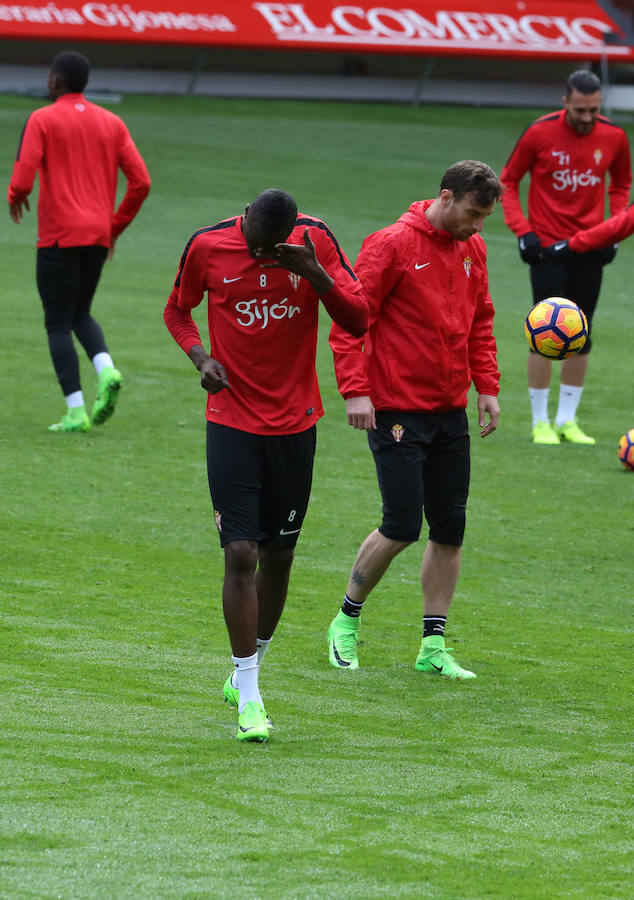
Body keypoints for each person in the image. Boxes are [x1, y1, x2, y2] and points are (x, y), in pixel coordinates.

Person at [164, 189, 367, 742]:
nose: (260, 256)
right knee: (240, 552)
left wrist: (316, 274)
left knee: (279, 556)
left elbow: (360, 320)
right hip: (230, 420)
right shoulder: (208, 244)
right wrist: (200, 356)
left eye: (270, 250)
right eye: (254, 245)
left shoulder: (314, 240)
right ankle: (250, 697)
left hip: (296, 424)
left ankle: (246, 666)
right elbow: (177, 309)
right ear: (245, 220)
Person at [327, 160, 502, 680]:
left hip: (449, 409)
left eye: (485, 218)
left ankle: (433, 645)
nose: (477, 226)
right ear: (445, 197)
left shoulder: (472, 247)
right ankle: (345, 623)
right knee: (401, 524)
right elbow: (351, 320)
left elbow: (481, 320)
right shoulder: (389, 244)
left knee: (450, 526)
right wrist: (356, 391)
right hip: (397, 407)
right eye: (472, 213)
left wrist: (486, 386)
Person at [7, 50, 151, 432]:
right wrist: (113, 228)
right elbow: (141, 182)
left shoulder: (42, 118)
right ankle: (107, 371)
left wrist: (15, 196)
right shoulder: (112, 122)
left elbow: (22, 179)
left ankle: (76, 412)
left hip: (58, 237)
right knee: (80, 313)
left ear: (55, 80)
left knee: (57, 322)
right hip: (97, 236)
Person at [500, 69, 631, 446]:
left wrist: (615, 227)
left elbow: (621, 184)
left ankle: (567, 421)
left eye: (594, 109)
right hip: (547, 250)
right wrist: (522, 230)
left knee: (582, 333)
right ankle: (540, 421)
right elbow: (509, 181)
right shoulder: (539, 133)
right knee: (544, 333)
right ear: (564, 102)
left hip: (590, 248)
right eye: (580, 110)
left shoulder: (615, 136)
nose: (588, 118)